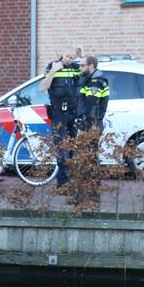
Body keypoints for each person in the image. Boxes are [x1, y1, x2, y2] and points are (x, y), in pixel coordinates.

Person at [40, 47, 82, 187]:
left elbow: (88, 74)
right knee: (60, 146)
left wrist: (82, 57)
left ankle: (69, 181)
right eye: (67, 56)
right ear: (62, 54)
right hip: (58, 112)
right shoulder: (53, 66)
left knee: (71, 147)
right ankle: (62, 183)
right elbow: (43, 87)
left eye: (72, 58)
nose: (69, 59)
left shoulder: (77, 67)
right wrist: (53, 71)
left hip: (73, 111)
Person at [74, 56, 110, 204]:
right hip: (91, 124)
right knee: (90, 159)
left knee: (87, 160)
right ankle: (90, 195)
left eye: (83, 66)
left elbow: (92, 106)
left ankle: (86, 196)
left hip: (91, 124)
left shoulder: (96, 82)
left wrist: (85, 125)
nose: (80, 69)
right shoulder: (90, 79)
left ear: (92, 65)